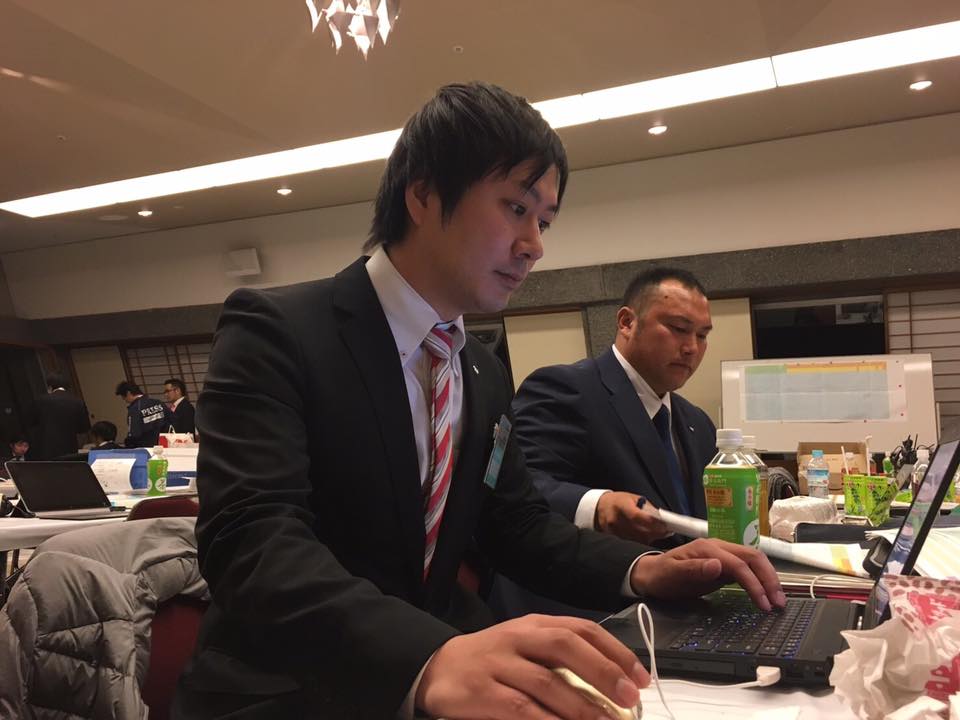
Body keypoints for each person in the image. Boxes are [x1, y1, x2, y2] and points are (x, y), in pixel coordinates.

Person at [174, 82, 783, 720]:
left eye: (544, 221)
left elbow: (515, 527)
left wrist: (643, 569)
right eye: (516, 208)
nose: (535, 244)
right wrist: (426, 657)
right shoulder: (280, 330)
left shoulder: (480, 370)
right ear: (423, 194)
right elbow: (252, 542)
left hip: (446, 669)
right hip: (288, 685)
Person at [513, 268, 718, 545]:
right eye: (679, 329)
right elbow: (521, 485)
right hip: (610, 570)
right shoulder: (567, 389)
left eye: (702, 335)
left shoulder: (698, 422)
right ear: (627, 322)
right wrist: (598, 505)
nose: (692, 347)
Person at [28, 371, 91, 460]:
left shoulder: (40, 401)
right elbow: (84, 428)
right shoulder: (78, 402)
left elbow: (31, 423)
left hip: (45, 449)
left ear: (50, 387)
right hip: (69, 448)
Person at [115, 381, 169, 448]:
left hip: (145, 448)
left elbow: (134, 434)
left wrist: (128, 445)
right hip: (164, 446)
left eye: (123, 396)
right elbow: (171, 420)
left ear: (128, 393)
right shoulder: (158, 403)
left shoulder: (135, 409)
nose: (124, 399)